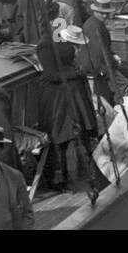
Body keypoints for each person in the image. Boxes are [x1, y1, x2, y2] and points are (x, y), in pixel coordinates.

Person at [37, 25, 97, 191]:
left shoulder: (58, 42)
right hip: (57, 97)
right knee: (59, 136)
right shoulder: (45, 46)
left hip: (72, 92)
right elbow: (50, 75)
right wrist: (76, 74)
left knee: (83, 132)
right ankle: (59, 178)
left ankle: (88, 170)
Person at [79, 0, 124, 106]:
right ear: (95, 11)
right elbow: (98, 52)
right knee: (125, 83)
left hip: (96, 63)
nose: (104, 15)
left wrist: (113, 55)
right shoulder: (96, 27)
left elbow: (103, 47)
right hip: (96, 67)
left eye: (106, 13)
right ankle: (120, 107)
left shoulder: (93, 23)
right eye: (101, 13)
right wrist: (110, 67)